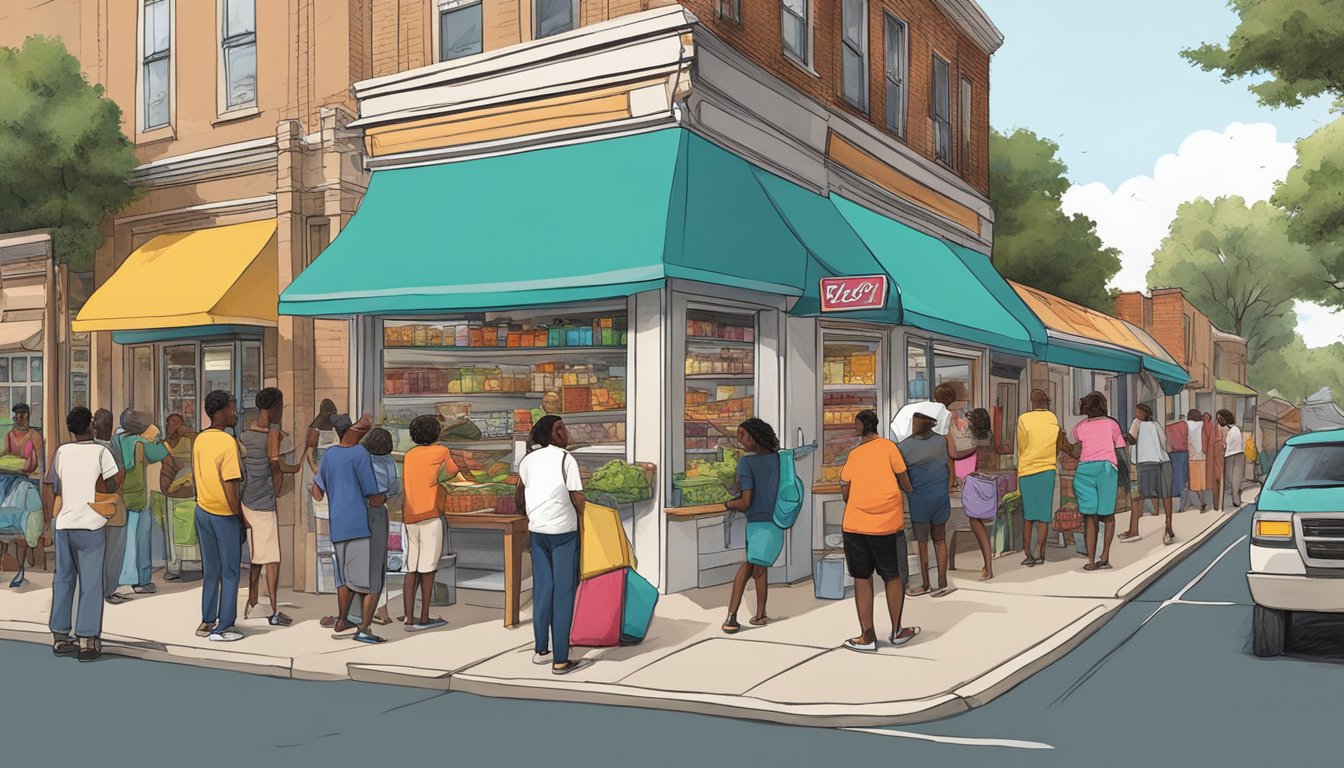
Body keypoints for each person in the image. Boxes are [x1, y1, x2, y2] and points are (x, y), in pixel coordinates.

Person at [42, 407, 121, 662]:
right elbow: (115, 480)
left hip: (64, 523)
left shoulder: (62, 452)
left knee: (63, 580)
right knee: (91, 583)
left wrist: (48, 521)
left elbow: (49, 486)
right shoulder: (101, 451)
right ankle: (87, 641)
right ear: (91, 425)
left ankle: (60, 637)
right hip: (92, 524)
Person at [840, 410, 919, 652]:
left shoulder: (853, 455)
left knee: (862, 578)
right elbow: (906, 483)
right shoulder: (889, 448)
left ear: (860, 426)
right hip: (886, 525)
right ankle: (896, 631)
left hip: (855, 525)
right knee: (892, 576)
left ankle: (867, 636)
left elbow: (845, 492)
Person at [514, 415, 588, 675]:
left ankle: (541, 650)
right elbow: (578, 499)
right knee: (564, 593)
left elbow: (519, 496)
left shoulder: (528, 460)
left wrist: (533, 514)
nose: (565, 433)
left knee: (543, 589)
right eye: (560, 428)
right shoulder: (567, 460)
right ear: (550, 433)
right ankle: (561, 658)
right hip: (564, 533)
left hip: (538, 532)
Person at [312, 413, 387, 644]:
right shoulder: (360, 454)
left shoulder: (330, 454)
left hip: (338, 525)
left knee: (343, 579)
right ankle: (364, 628)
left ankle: (342, 620)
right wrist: (385, 497)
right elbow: (373, 496)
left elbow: (316, 491)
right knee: (366, 582)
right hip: (359, 525)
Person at [239, 388, 305, 626]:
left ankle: (254, 602)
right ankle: (274, 610)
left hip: (247, 501)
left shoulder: (244, 436)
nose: (281, 411)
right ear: (272, 408)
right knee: (273, 560)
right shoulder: (275, 436)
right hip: (265, 503)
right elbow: (278, 468)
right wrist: (297, 465)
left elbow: (242, 473)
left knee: (257, 558)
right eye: (280, 406)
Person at [192, 390, 248, 642]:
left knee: (211, 570)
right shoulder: (227, 442)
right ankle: (224, 625)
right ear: (221, 411)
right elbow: (231, 485)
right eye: (232, 407)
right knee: (230, 572)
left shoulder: (200, 439)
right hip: (224, 513)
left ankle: (207, 620)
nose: (235, 412)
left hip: (202, 509)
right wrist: (240, 518)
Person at [721, 418, 783, 634]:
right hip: (776, 522)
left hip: (757, 523)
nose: (739, 440)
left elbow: (746, 501)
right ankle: (760, 614)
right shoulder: (778, 458)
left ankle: (731, 616)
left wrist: (728, 503)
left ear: (755, 438)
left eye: (742, 435)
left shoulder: (746, 463)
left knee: (749, 566)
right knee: (760, 566)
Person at [401, 415, 457, 632]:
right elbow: (452, 471)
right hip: (430, 516)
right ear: (436, 433)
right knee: (428, 569)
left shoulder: (409, 455)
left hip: (410, 516)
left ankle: (408, 618)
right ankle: (424, 617)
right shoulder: (441, 451)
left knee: (411, 568)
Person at [899, 404, 958, 597]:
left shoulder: (904, 447)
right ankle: (942, 581)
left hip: (919, 501)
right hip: (940, 498)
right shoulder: (941, 441)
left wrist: (908, 490)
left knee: (922, 543)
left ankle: (925, 583)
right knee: (940, 539)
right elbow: (950, 465)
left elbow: (902, 476)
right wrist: (948, 485)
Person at [1065, 392, 1127, 571]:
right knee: (1107, 516)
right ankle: (1105, 556)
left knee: (1089, 517)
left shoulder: (1080, 427)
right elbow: (1121, 448)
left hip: (1084, 471)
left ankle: (1091, 560)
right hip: (1106, 468)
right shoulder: (1112, 424)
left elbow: (1072, 442)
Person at [112, 409, 168, 596]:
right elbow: (161, 453)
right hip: (139, 496)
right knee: (142, 539)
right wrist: (156, 437)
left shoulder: (116, 440)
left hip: (120, 495)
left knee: (123, 539)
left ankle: (122, 578)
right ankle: (142, 580)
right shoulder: (142, 443)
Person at [1016, 390, 1064, 567]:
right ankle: (1040, 552)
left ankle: (1028, 554)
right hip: (1047, 469)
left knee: (1029, 515)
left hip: (1027, 469)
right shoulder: (1053, 418)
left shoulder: (1023, 419)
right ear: (1046, 402)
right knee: (1044, 514)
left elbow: (1020, 446)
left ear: (1031, 402)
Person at [2, 403, 44, 586]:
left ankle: (23, 566)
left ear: (27, 416)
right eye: (16, 416)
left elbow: (39, 462)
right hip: (8, 479)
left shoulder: (34, 436)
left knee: (25, 524)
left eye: (22, 415)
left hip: (29, 480)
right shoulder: (10, 435)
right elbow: (6, 453)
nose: (19, 419)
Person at [1121, 404, 1176, 546]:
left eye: (1139, 411)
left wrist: (1125, 437)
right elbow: (1164, 441)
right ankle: (1167, 526)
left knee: (1137, 497)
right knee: (1165, 496)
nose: (1137, 412)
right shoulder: (1155, 425)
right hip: (1162, 462)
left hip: (1144, 464)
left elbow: (1131, 439)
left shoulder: (1136, 423)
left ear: (1146, 413)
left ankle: (1134, 531)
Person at [92, 409, 131, 605]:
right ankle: (108, 590)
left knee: (98, 551)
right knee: (113, 551)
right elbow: (118, 478)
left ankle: (100, 590)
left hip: (92, 506)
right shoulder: (111, 448)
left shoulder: (89, 447)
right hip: (111, 505)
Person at [362, 427, 400, 627]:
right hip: (379, 513)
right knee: (378, 563)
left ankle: (360, 611)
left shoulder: (362, 460)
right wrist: (384, 496)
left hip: (360, 511)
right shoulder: (389, 462)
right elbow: (394, 488)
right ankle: (381, 609)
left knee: (360, 561)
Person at [890, 383, 956, 442]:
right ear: (953, 400)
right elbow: (943, 437)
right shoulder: (943, 411)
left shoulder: (928, 406)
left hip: (896, 429)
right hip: (902, 433)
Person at [159, 413, 197, 498]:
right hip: (171, 479)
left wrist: (186, 432)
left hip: (187, 478)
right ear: (167, 425)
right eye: (173, 422)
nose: (176, 425)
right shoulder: (164, 444)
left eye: (179, 422)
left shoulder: (187, 439)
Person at [1219, 409, 1245, 510]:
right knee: (1232, 479)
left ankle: (1236, 499)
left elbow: (1226, 444)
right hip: (1232, 455)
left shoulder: (1233, 429)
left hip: (1234, 454)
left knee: (1234, 479)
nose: (1219, 421)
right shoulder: (1234, 429)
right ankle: (1235, 497)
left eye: (1220, 418)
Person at [1164, 413, 1190, 514]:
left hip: (1173, 454)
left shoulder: (1167, 427)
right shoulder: (1183, 425)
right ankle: (1182, 505)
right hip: (1184, 453)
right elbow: (1186, 438)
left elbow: (1168, 443)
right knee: (1183, 479)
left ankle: (1176, 506)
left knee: (1175, 480)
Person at [1185, 409, 1210, 512]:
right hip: (1202, 456)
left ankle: (1196, 504)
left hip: (1190, 456)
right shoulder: (1202, 425)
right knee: (1201, 482)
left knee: (1191, 482)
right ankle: (1202, 502)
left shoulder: (1186, 424)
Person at [1206, 412, 1226, 512]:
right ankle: (1218, 506)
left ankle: (1218, 506)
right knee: (1218, 483)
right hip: (1218, 458)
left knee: (1218, 483)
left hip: (1217, 458)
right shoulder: (1217, 430)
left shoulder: (1216, 429)